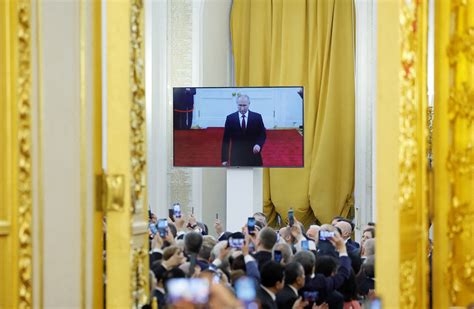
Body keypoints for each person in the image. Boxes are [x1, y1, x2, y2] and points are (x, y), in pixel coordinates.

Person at [221, 94, 266, 166]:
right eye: (240, 105)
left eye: (244, 105)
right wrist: (224, 159)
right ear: (237, 104)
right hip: (236, 157)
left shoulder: (257, 117)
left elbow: (262, 134)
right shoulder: (230, 118)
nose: (242, 108)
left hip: (254, 156)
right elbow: (226, 140)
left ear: (249, 104)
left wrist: (258, 145)